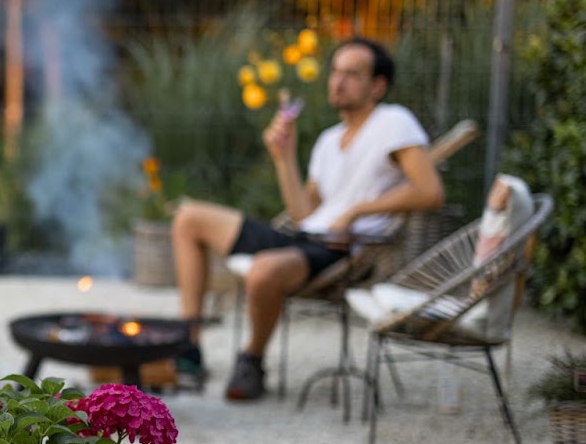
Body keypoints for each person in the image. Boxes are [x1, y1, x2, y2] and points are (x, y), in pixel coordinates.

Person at [170, 37, 444, 400]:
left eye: (352, 74)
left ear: (378, 85)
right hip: (307, 237)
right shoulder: (329, 140)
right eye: (335, 72)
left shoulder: (393, 122)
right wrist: (283, 157)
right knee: (188, 218)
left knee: (264, 268)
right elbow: (303, 212)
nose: (338, 81)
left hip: (344, 248)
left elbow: (430, 191)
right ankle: (189, 347)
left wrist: (357, 211)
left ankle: (252, 358)